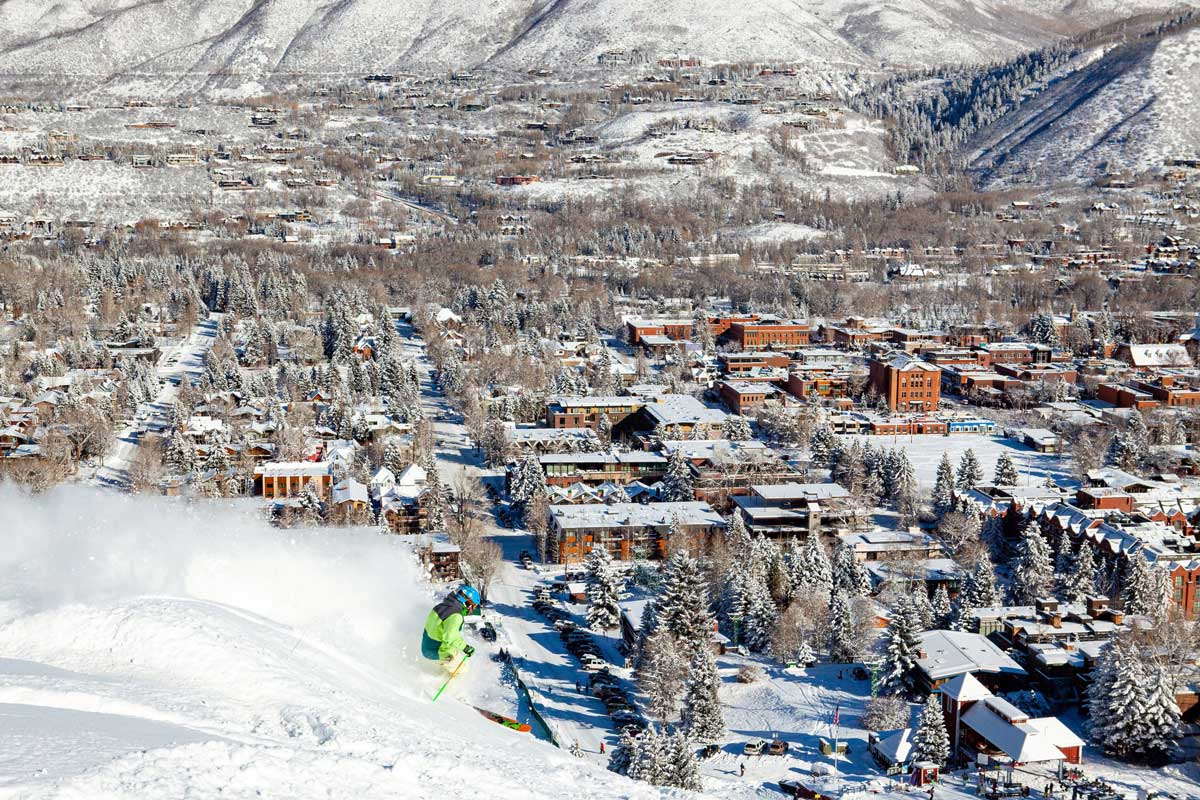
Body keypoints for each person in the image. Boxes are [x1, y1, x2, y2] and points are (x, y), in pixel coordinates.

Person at [422, 585, 480, 674]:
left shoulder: (441, 607)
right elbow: (450, 636)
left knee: (456, 658)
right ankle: (450, 686)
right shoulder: (455, 615)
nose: (471, 610)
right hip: (437, 650)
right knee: (462, 670)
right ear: (467, 602)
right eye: (473, 606)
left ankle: (439, 674)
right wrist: (466, 648)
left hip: (428, 646)